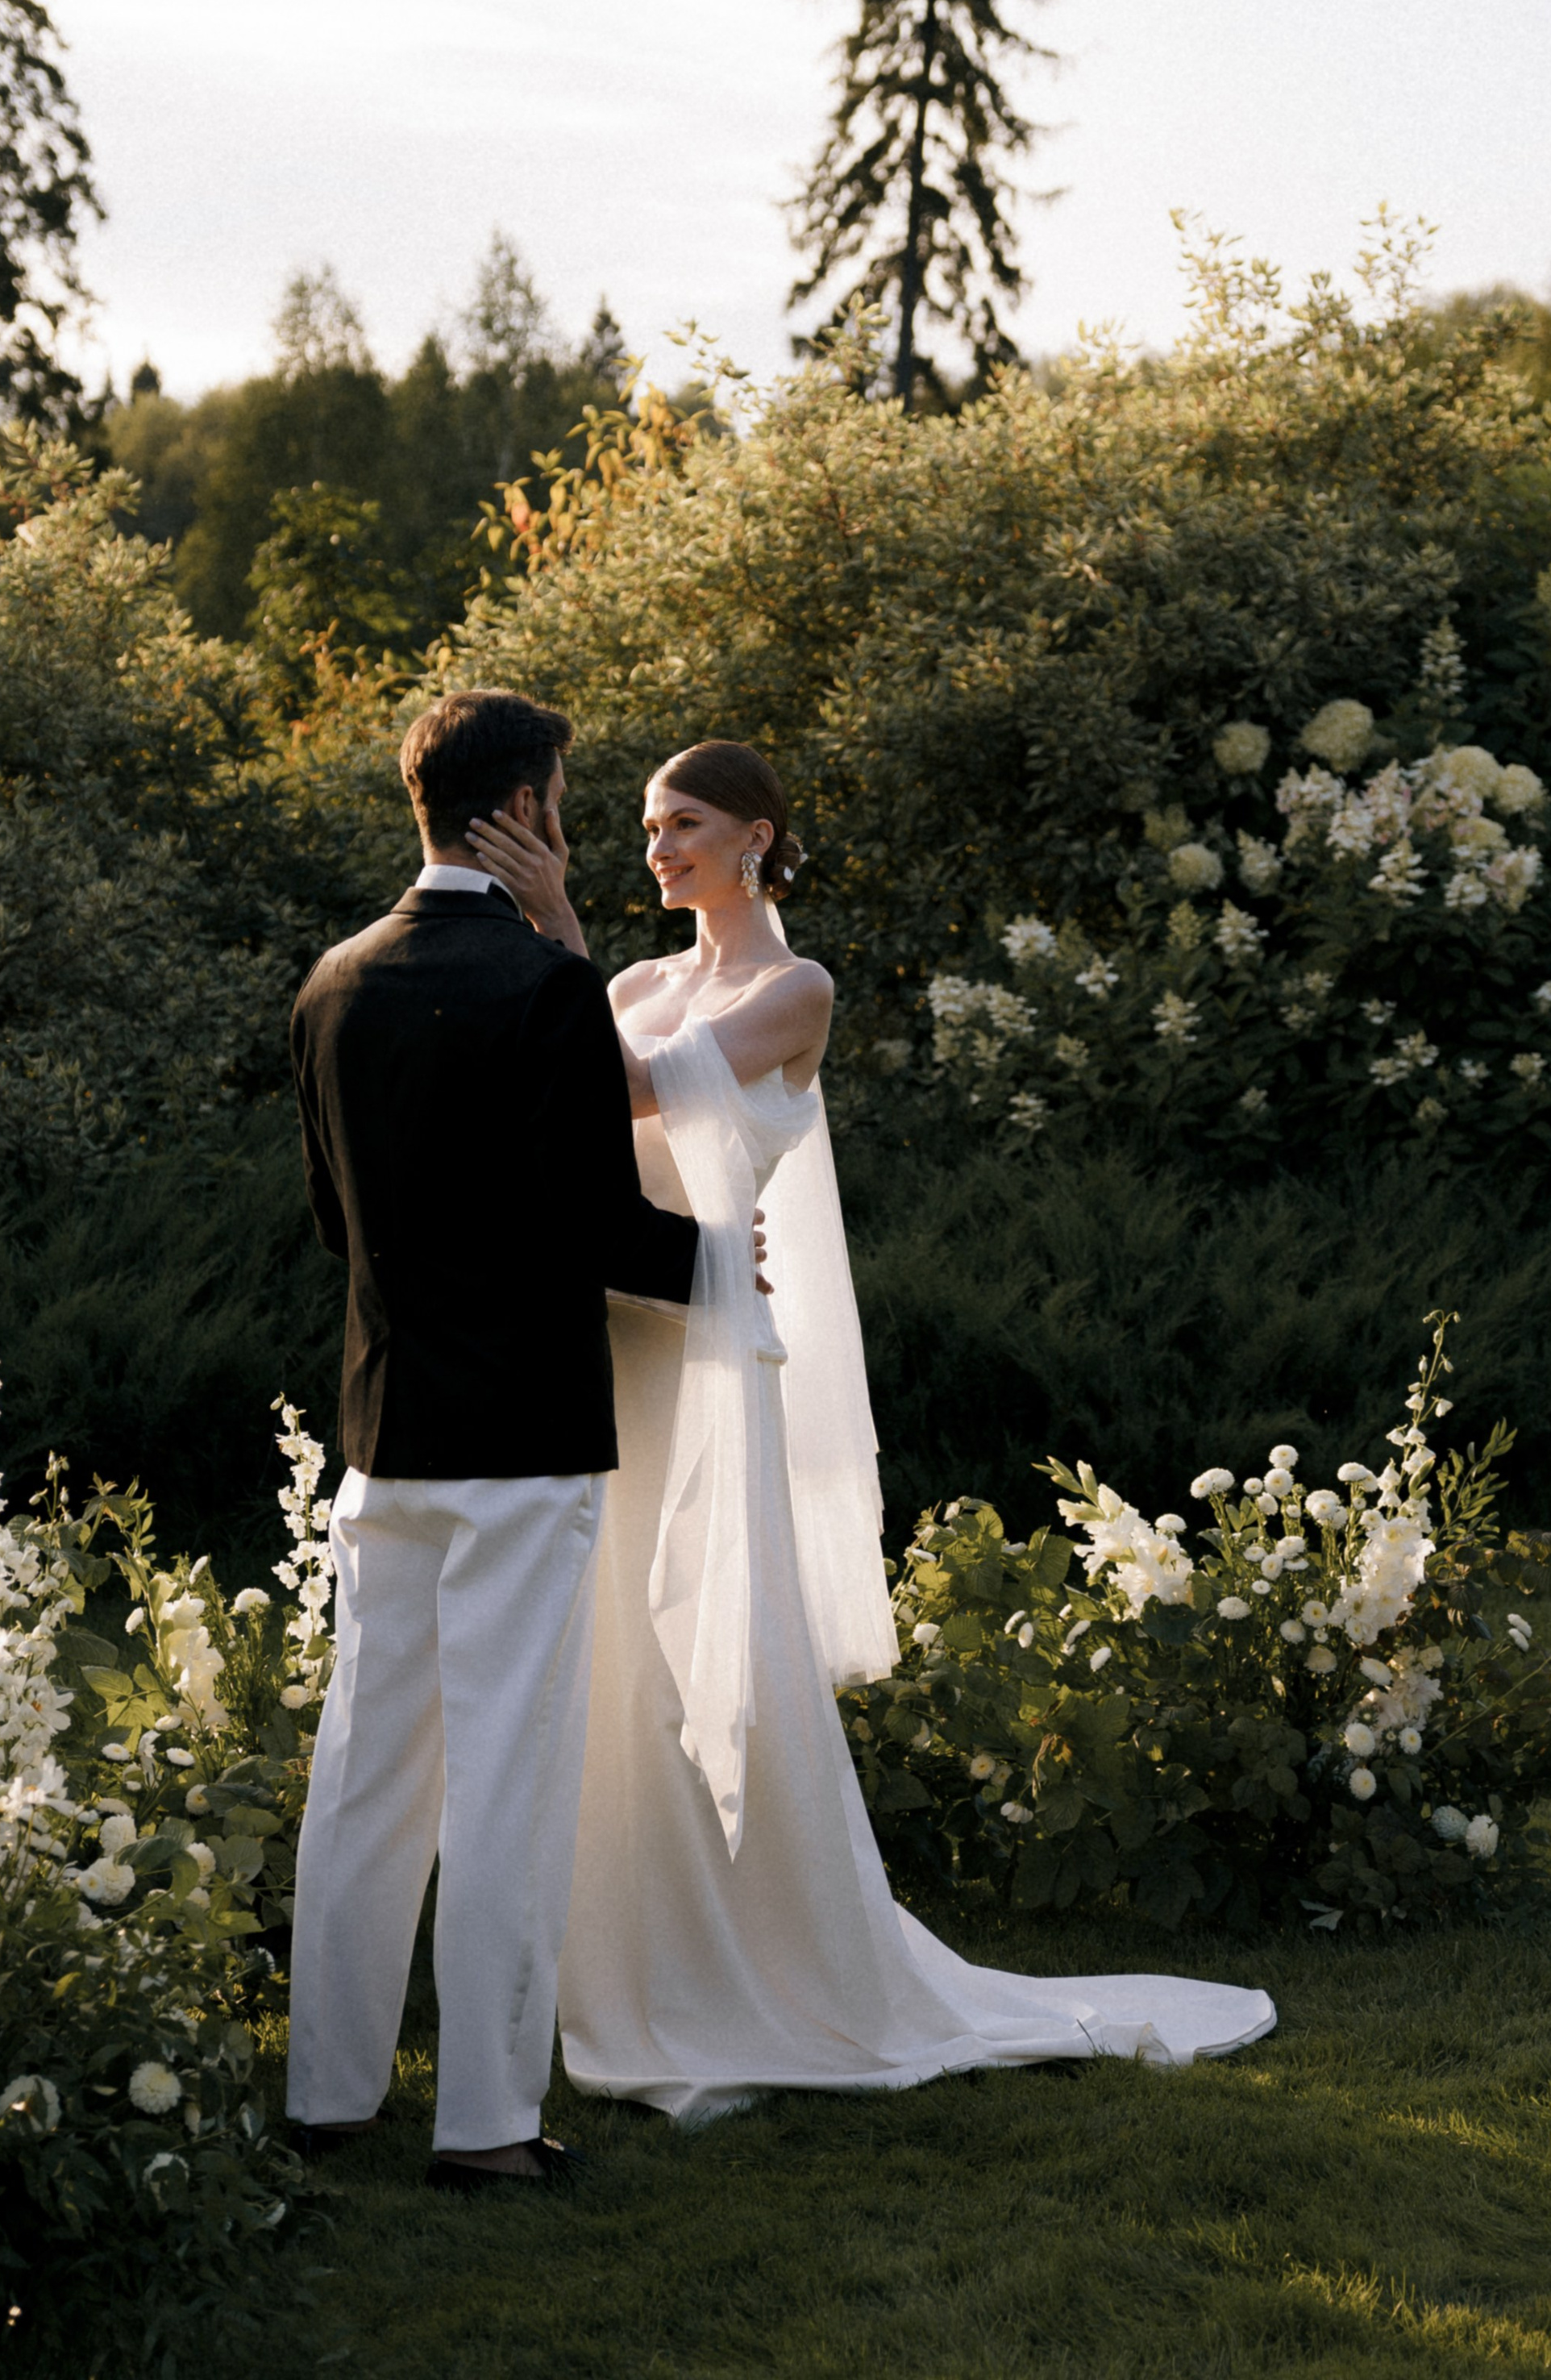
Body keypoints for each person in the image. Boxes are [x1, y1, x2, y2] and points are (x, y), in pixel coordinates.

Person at [466, 736, 1274, 2124]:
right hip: (622, 1350)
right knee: (623, 1667)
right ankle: (637, 1965)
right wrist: (574, 954)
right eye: (648, 826)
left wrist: (552, 929)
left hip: (720, 1355)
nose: (657, 846)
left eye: (686, 825)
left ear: (760, 839)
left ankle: (787, 1967)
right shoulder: (637, 983)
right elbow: (566, 1105)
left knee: (725, 1649)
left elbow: (633, 1094)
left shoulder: (798, 991)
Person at [285, 688, 703, 2189]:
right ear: (523, 810)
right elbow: (600, 1223)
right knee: (510, 1778)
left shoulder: (329, 984)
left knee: (366, 1766)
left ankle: (325, 2100)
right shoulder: (542, 989)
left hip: (384, 1433)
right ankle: (488, 2130)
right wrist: (722, 1267)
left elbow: (339, 1224)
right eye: (565, 797)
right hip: (522, 1437)